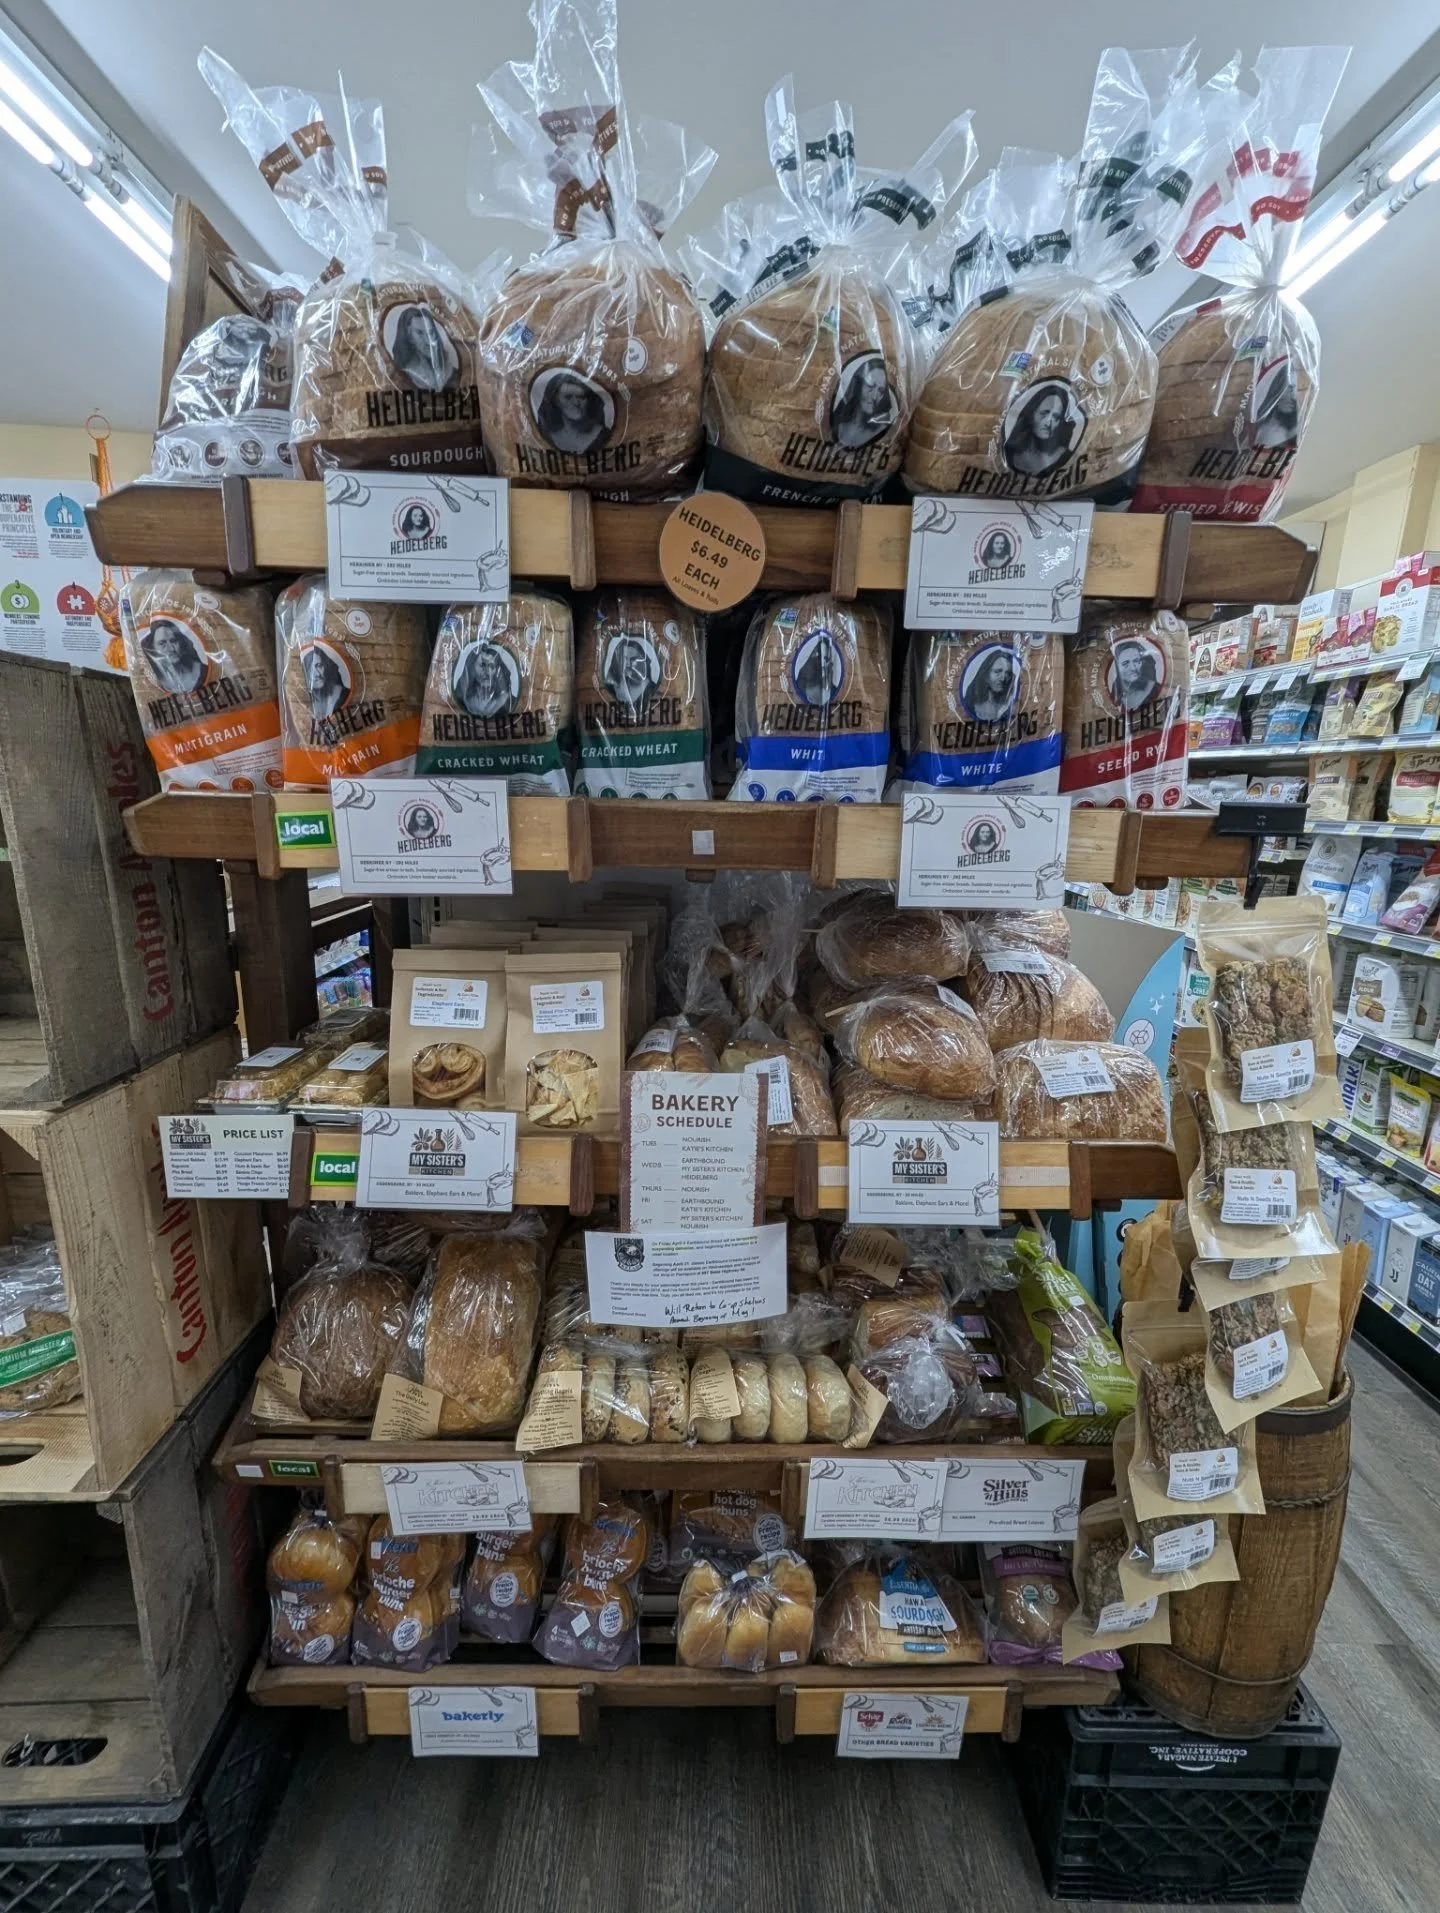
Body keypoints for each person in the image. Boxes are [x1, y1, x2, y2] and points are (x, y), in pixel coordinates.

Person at [1003, 383, 1079, 477]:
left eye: (1056, 417)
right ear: (1031, 414)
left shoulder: (1064, 455)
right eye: (1044, 413)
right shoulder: (1012, 453)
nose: (1048, 422)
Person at [533, 371, 610, 454]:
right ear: (556, 401)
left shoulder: (604, 435)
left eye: (581, 397)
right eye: (568, 397)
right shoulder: (545, 435)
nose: (576, 403)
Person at [388, 305, 457, 393]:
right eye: (420, 333)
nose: (428, 341)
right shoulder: (399, 373)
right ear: (409, 337)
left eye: (430, 333)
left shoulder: (451, 372)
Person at [831, 354, 895, 448]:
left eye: (881, 391)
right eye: (870, 386)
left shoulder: (884, 430)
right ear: (858, 385)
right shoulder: (839, 425)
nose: (874, 396)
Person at [140, 618, 207, 695]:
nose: (171, 648)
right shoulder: (150, 679)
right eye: (162, 643)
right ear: (152, 647)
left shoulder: (201, 670)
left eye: (173, 641)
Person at [453, 641, 517, 720]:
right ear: (471, 667)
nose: (487, 672)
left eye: (491, 666)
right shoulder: (461, 698)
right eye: (482, 665)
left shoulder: (508, 700)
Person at [603, 634, 660, 715]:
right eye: (625, 659)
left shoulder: (651, 688)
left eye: (634, 659)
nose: (628, 665)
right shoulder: (615, 686)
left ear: (645, 662)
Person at [964, 646, 1019, 723]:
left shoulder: (1010, 703)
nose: (1003, 678)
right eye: (997, 672)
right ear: (985, 674)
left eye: (1008, 673)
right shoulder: (973, 704)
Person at [792, 631, 842, 707]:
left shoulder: (832, 689)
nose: (823, 664)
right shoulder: (801, 685)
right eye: (817, 657)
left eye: (826, 659)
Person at [1112, 640, 1159, 713]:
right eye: (1125, 663)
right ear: (1117, 668)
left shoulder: (1155, 688)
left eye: (1136, 661)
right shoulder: (1116, 693)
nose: (1133, 668)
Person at [302, 644, 347, 720]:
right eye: (311, 669)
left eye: (319, 666)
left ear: (325, 666)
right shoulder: (303, 700)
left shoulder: (342, 693)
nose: (317, 674)